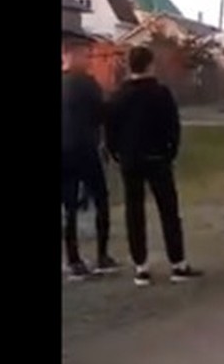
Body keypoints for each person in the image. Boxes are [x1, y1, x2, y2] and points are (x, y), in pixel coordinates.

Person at [105, 45, 203, 286]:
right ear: (150, 65)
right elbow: (173, 126)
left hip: (130, 160)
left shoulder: (118, 96)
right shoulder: (161, 94)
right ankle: (178, 264)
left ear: (129, 66)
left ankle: (141, 268)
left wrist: (116, 153)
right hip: (158, 159)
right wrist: (170, 152)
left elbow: (110, 130)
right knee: (169, 211)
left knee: (134, 212)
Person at [61, 36, 118, 281]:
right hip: (85, 149)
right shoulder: (88, 84)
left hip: (63, 152)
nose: (88, 59)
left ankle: (73, 259)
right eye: (85, 55)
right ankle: (102, 255)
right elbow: (100, 115)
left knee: (69, 206)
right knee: (101, 199)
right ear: (72, 55)